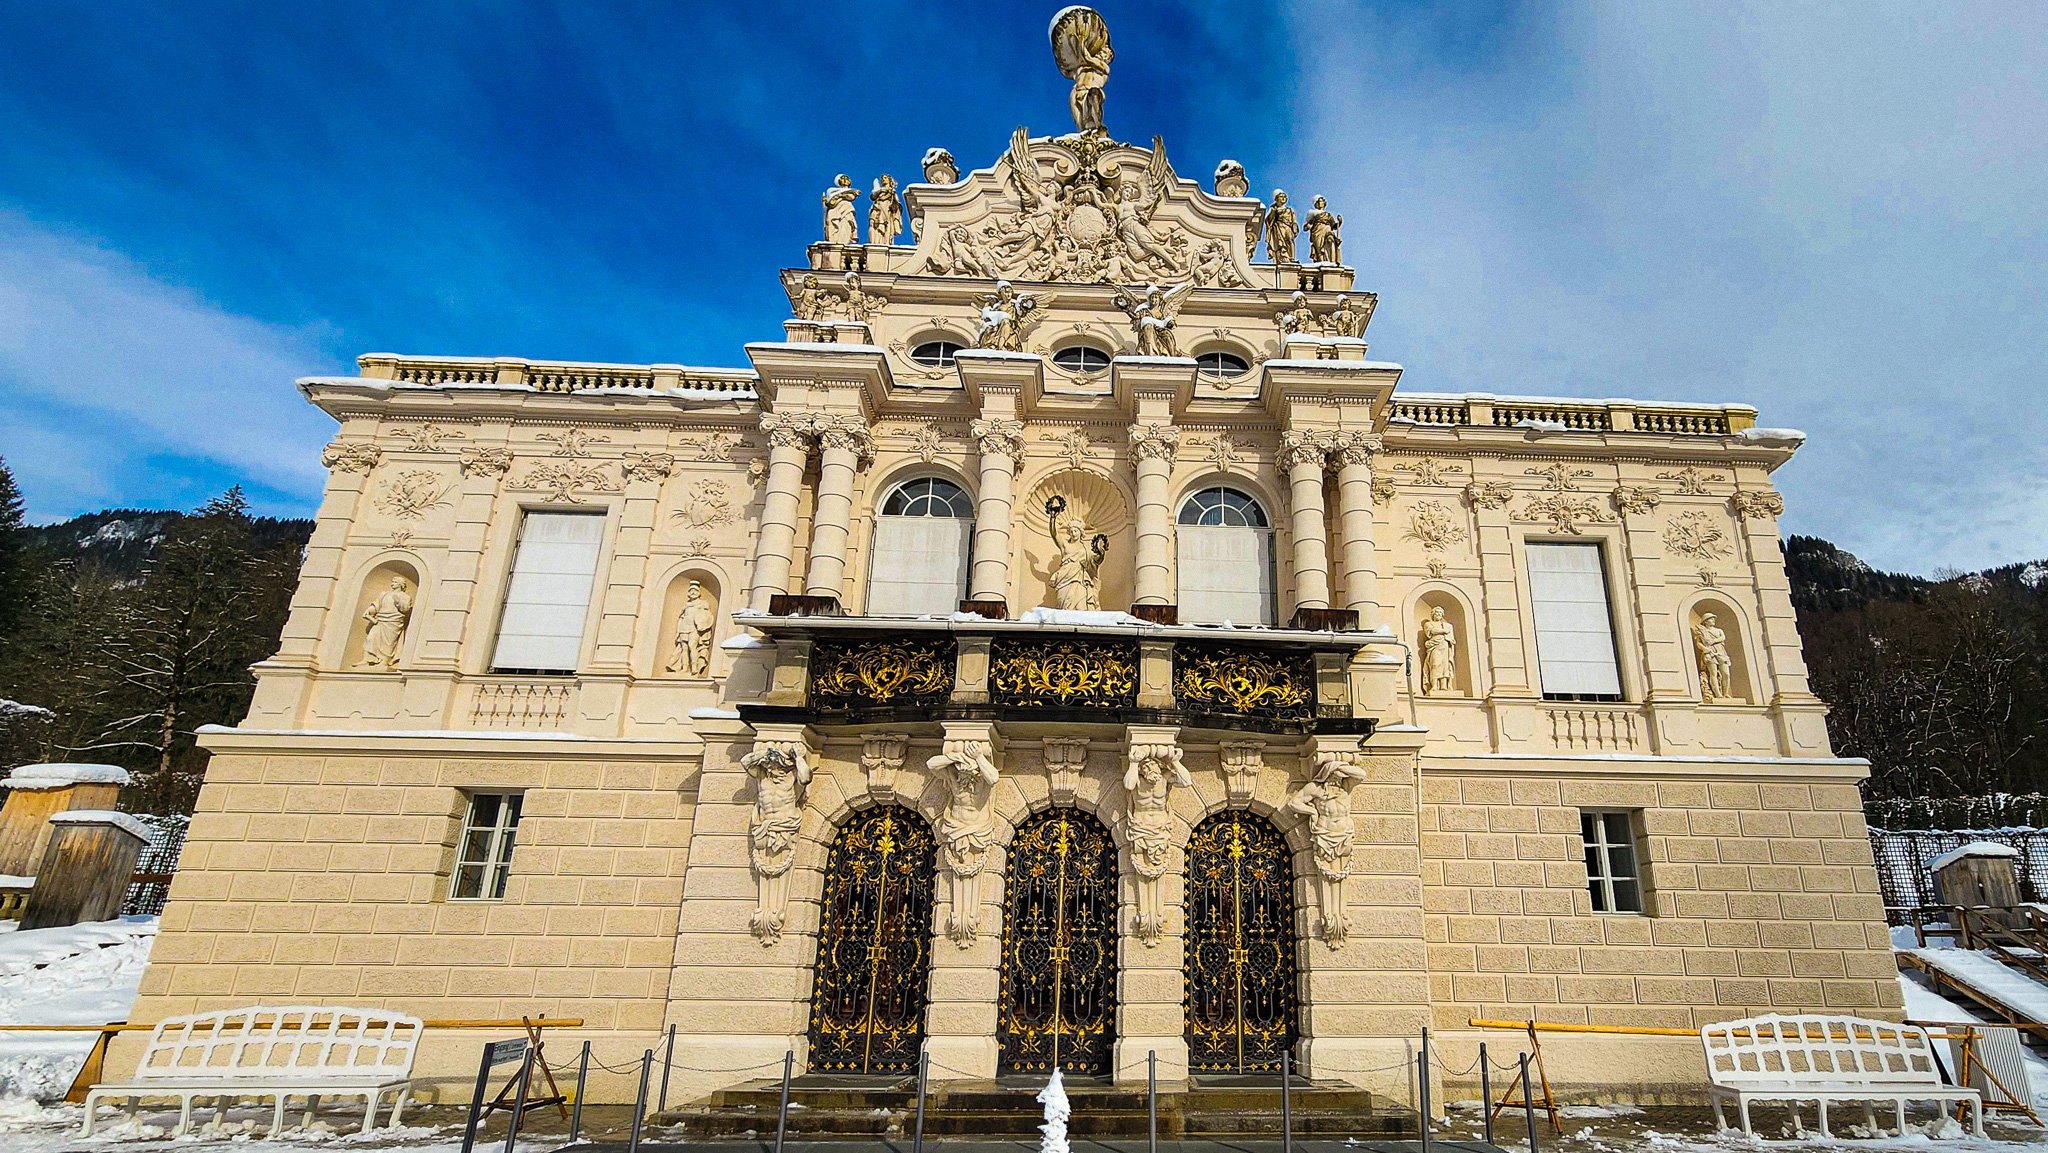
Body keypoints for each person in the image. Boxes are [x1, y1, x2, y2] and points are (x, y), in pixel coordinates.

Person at [358, 576, 413, 670]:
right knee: (371, 638)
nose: (392, 583)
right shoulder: (384, 594)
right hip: (380, 619)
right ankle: (367, 659)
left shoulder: (405, 597)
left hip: (394, 622)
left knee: (389, 642)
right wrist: (370, 610)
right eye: (392, 581)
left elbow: (405, 609)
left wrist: (398, 601)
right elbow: (377, 604)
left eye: (395, 582)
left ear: (401, 584)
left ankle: (385, 660)